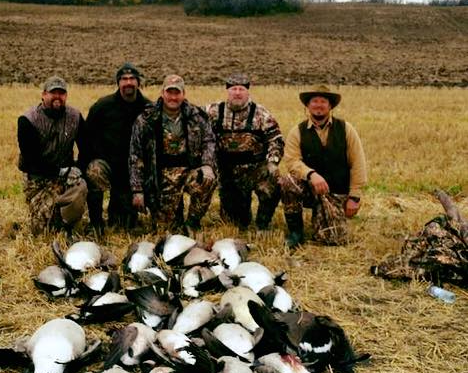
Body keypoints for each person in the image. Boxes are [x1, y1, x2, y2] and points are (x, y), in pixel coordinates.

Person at [280, 84, 367, 247]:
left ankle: (325, 218)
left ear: (330, 106)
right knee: (287, 182)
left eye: (323, 101)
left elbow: (358, 164)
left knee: (333, 240)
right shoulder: (297, 131)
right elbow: (291, 161)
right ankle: (296, 233)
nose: (318, 105)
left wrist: (354, 197)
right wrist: (311, 175)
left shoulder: (347, 129)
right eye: (314, 101)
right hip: (310, 189)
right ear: (307, 105)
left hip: (335, 191)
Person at [129, 74, 217, 233]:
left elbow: (209, 141)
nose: (173, 97)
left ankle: (192, 222)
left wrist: (207, 165)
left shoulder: (196, 116)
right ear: (162, 93)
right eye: (170, 92)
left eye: (177, 93)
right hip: (161, 177)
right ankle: (173, 220)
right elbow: (136, 156)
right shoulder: (146, 120)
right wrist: (137, 190)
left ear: (184, 94)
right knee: (166, 231)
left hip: (189, 171)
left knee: (207, 180)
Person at [206, 73, 284, 229]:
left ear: (247, 92)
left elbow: (276, 140)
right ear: (227, 91)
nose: (237, 93)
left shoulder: (261, 114)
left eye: (241, 89)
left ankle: (263, 223)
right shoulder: (212, 111)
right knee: (236, 224)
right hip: (226, 172)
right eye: (233, 89)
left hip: (255, 169)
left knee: (274, 182)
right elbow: (200, 135)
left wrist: (272, 162)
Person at [17, 76, 88, 235]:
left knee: (81, 185)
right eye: (52, 93)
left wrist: (78, 169)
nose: (57, 97)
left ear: (66, 96)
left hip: (65, 178)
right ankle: (54, 214)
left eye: (61, 93)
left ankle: (69, 222)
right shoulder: (28, 120)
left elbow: (87, 148)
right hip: (37, 180)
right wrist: (62, 171)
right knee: (42, 231)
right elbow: (30, 160)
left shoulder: (75, 117)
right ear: (43, 95)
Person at [85, 63, 151, 232]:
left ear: (138, 82)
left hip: (136, 170)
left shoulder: (148, 108)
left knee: (124, 224)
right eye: (124, 79)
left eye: (132, 79)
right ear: (118, 83)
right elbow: (87, 137)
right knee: (95, 170)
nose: (128, 82)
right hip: (109, 166)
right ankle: (96, 222)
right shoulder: (102, 107)